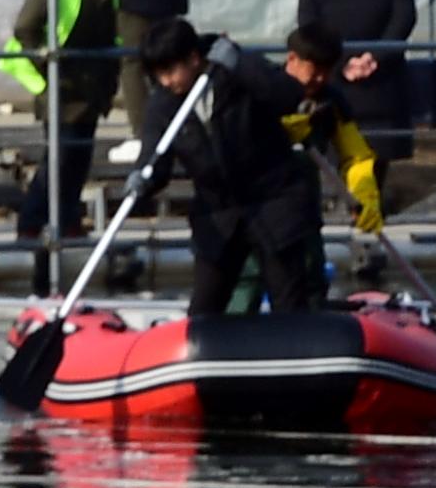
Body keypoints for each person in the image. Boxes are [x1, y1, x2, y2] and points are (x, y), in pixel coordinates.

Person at [137, 21, 381, 322]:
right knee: (205, 308)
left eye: (171, 71)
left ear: (193, 59)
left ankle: (296, 352)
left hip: (274, 204)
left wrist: (239, 64)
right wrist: (140, 181)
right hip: (220, 215)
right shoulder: (162, 106)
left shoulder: (238, 74)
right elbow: (154, 158)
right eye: (159, 74)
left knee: (290, 301)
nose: (166, 81)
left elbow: (286, 94)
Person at [2, 0, 121, 278]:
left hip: (91, 87)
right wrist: (47, 65)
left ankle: (68, 220)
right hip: (62, 84)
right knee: (58, 160)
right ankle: (31, 223)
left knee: (78, 161)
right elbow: (25, 28)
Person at [294, 0, 418, 208]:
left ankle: (345, 209)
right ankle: (370, 215)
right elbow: (404, 19)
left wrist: (340, 62)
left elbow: (308, 28)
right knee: (375, 160)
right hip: (383, 88)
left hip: (334, 84)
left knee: (339, 153)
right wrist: (374, 57)